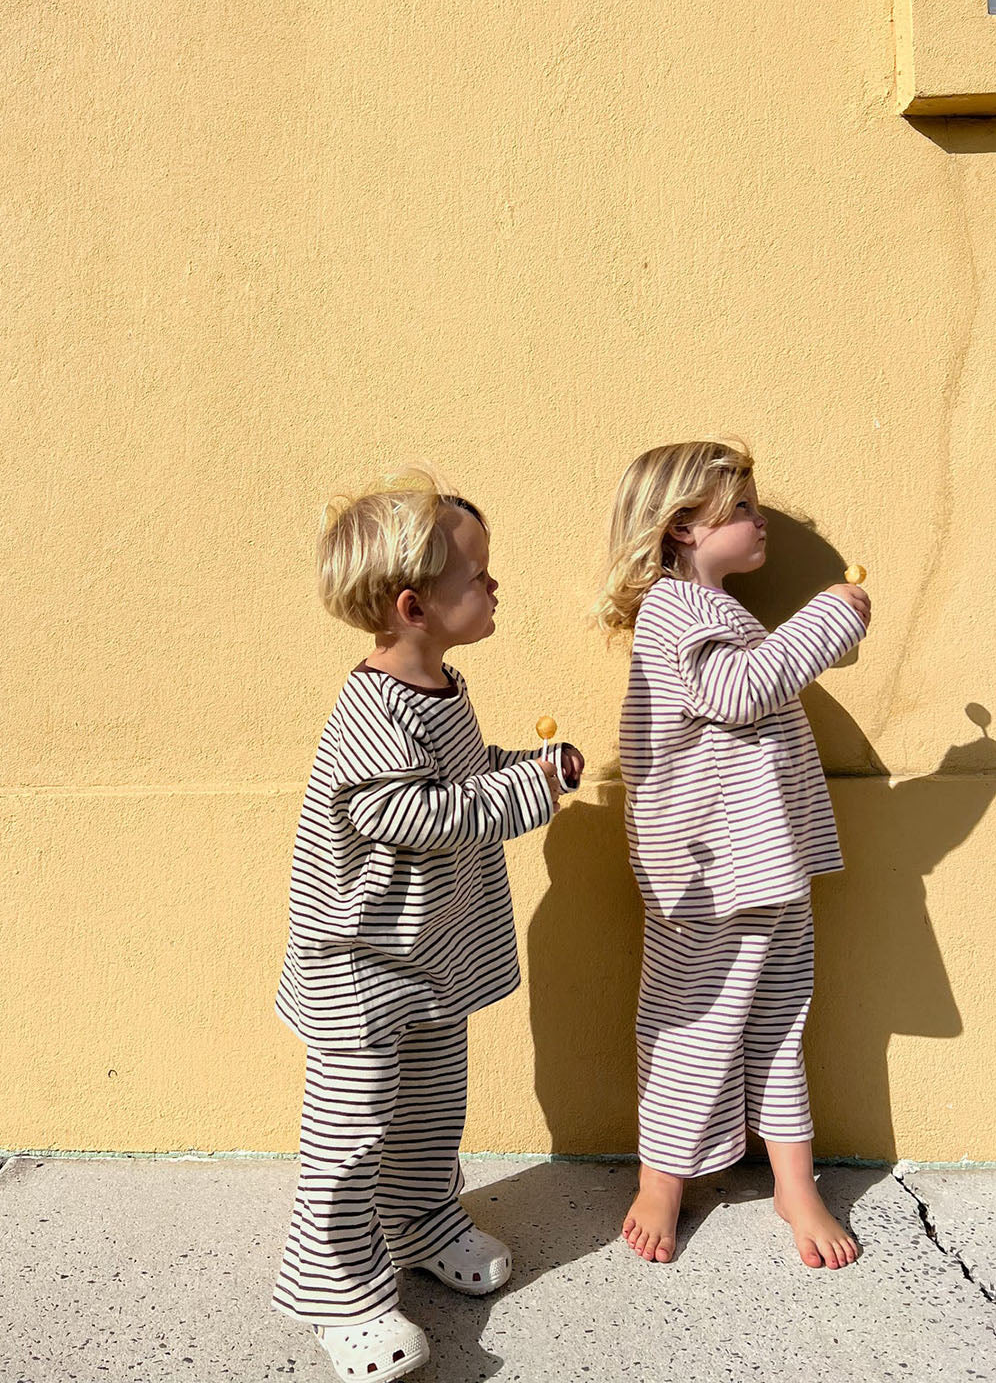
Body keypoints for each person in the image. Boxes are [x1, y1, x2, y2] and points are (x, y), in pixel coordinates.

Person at [273, 469, 584, 1381]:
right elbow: (421, 814)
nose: (494, 587)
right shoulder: (371, 711)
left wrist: (519, 764)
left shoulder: (442, 688)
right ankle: (338, 1292)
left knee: (429, 1107)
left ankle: (416, 1220)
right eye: (478, 575)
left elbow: (458, 775)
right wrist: (536, 786)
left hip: (430, 955)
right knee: (353, 1127)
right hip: (359, 966)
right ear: (414, 604)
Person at [594, 441, 870, 1269]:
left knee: (780, 1017)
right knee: (694, 1026)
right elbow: (739, 689)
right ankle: (663, 1179)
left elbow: (751, 688)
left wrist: (819, 637)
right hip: (712, 875)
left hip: (766, 865)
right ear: (682, 526)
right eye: (741, 507)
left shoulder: (715, 613)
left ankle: (793, 1179)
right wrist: (827, 618)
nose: (758, 521)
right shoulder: (673, 611)